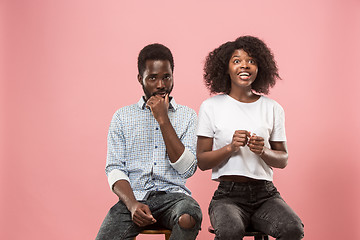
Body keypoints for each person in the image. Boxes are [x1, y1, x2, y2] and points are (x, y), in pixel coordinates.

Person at [196, 36, 304, 240]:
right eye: (236, 61)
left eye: (251, 61)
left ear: (260, 67)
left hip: (266, 194)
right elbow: (202, 161)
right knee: (230, 231)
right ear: (225, 68)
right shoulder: (211, 107)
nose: (244, 65)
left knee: (293, 228)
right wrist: (230, 148)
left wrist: (263, 151)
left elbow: (283, 159)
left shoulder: (272, 108)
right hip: (228, 196)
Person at [96, 43, 202, 240]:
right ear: (140, 79)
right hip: (134, 199)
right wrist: (132, 204)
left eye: (166, 77)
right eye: (152, 78)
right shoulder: (122, 117)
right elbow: (114, 168)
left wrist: (163, 119)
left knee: (190, 216)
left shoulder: (188, 116)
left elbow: (187, 169)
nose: (161, 85)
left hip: (174, 198)